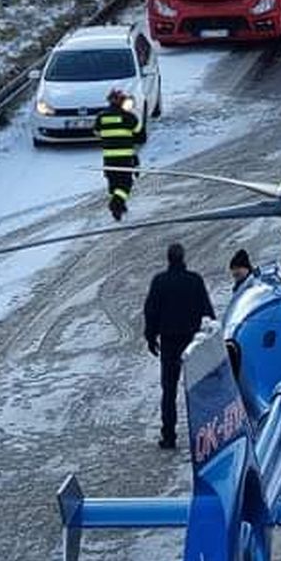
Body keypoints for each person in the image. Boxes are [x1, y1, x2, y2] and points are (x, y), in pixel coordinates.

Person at [143, 242, 215, 449]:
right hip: (193, 342)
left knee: (169, 390)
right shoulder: (194, 280)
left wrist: (150, 337)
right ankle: (206, 435)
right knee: (200, 389)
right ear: (183, 258)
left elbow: (151, 311)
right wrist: (211, 337)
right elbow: (207, 311)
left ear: (168, 259)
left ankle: (169, 436)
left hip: (169, 342)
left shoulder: (160, 281)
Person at [96, 87, 141, 221]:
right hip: (125, 159)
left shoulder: (101, 117)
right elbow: (139, 133)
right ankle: (116, 204)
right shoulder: (129, 117)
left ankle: (120, 205)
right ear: (122, 102)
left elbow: (97, 132)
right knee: (125, 184)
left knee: (114, 184)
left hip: (109, 159)